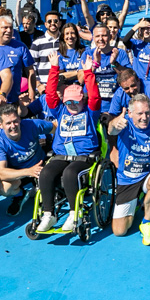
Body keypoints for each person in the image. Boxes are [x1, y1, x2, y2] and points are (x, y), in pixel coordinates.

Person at [35, 53, 101, 233]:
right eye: (68, 101)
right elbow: (50, 95)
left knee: (70, 173)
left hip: (83, 157)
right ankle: (49, 214)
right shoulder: (60, 111)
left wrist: (88, 72)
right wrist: (54, 68)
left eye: (76, 101)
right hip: (61, 154)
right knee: (46, 173)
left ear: (83, 101)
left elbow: (95, 97)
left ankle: (74, 214)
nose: (71, 104)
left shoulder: (90, 113)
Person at [107, 93, 150, 244]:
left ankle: (147, 223)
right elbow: (111, 130)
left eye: (147, 112)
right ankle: (138, 202)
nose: (144, 117)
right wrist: (114, 123)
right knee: (120, 231)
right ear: (130, 113)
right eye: (139, 113)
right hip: (127, 178)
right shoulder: (123, 123)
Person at [0, 103, 54, 217]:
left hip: (40, 165)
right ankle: (20, 194)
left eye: (15, 121)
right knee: (5, 188)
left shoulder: (31, 124)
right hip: (20, 173)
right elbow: (2, 173)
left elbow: (55, 127)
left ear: (20, 119)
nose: (13, 126)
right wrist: (29, 171)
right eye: (8, 123)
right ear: (0, 125)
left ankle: (38, 188)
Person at [81, 24, 132, 100]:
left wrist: (114, 63)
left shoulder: (120, 53)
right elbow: (81, 80)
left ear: (110, 36)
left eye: (104, 36)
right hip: (94, 102)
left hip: (116, 101)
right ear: (93, 38)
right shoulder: (87, 54)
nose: (100, 39)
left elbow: (129, 77)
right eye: (97, 36)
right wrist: (95, 64)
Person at [30, 11, 64, 92]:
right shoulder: (37, 43)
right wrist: (38, 85)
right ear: (45, 24)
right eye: (49, 21)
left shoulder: (65, 41)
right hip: (44, 87)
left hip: (61, 86)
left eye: (55, 21)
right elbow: (32, 67)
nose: (52, 23)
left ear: (60, 23)